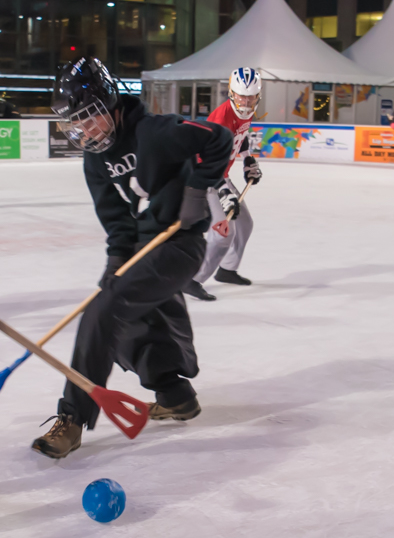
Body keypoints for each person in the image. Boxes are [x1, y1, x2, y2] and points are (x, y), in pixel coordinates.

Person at [31, 57, 232, 459]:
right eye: (76, 123)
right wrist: (114, 263)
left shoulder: (155, 132)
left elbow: (219, 138)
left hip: (179, 245)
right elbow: (117, 223)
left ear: (110, 102)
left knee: (103, 313)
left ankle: (72, 417)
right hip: (142, 251)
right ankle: (174, 394)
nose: (86, 130)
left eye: (90, 117)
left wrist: (197, 192)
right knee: (128, 319)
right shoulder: (95, 160)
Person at [184, 68, 263, 302]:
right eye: (241, 96)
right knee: (223, 234)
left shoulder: (246, 112)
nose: (246, 102)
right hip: (206, 176)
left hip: (221, 174)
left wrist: (248, 159)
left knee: (245, 224)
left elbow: (242, 135)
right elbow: (203, 159)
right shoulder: (221, 119)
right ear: (231, 93)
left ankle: (227, 270)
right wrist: (222, 189)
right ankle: (193, 279)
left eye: (251, 97)